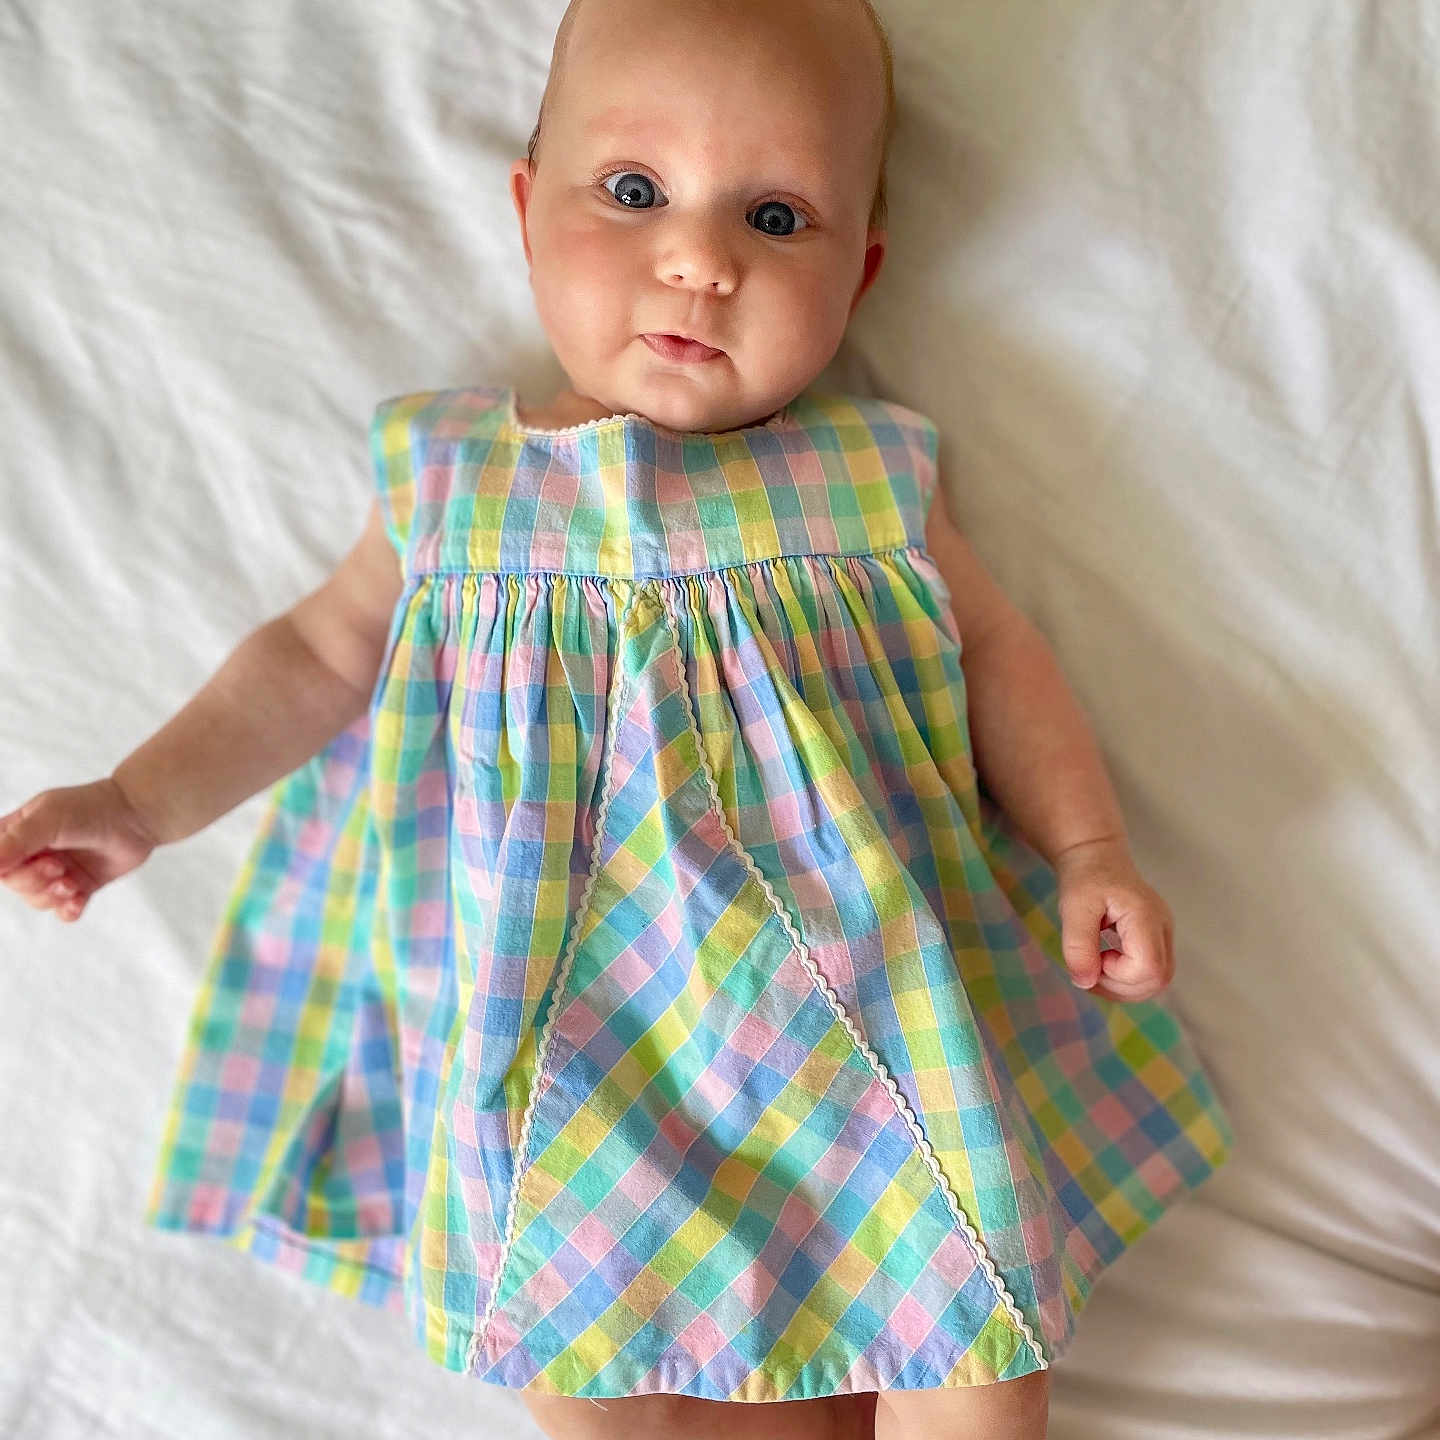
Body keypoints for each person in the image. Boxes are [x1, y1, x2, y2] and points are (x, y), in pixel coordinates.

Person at [0, 0, 1232, 1436]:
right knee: (581, 1359)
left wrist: (1087, 847)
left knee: (972, 1317)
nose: (702, 260)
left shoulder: (871, 477)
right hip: (561, 1044)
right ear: (529, 214)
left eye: (777, 217)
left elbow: (1002, 658)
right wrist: (138, 803)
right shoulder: (452, 482)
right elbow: (313, 659)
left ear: (861, 275)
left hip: (872, 1011)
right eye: (634, 192)